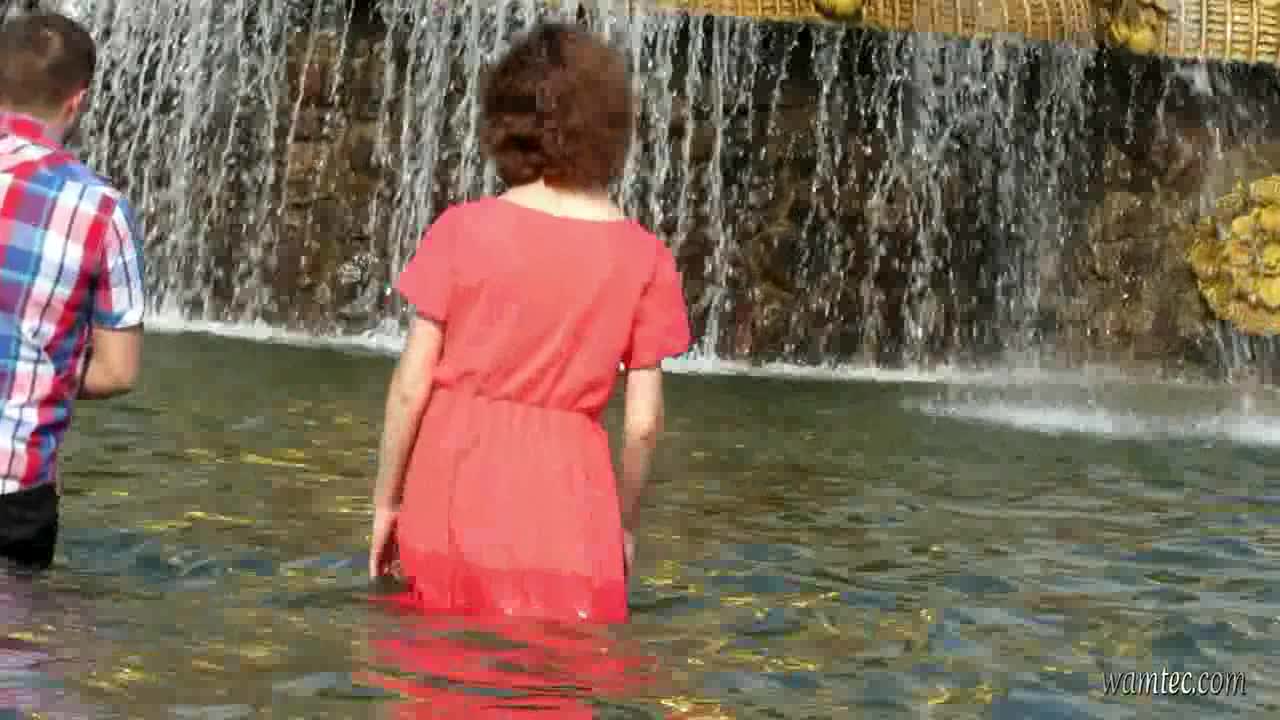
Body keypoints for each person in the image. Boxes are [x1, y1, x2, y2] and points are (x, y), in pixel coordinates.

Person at [368, 22, 691, 624]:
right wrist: (621, 526)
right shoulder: (646, 258)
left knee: (436, 660)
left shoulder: (461, 229)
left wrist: (387, 502)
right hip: (572, 506)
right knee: (563, 669)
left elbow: (411, 386)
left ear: (508, 121)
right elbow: (643, 424)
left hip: (452, 485)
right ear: (610, 129)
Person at [0, 12, 146, 571]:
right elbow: (117, 371)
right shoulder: (102, 210)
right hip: (15, 488)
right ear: (77, 101)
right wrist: (36, 373)